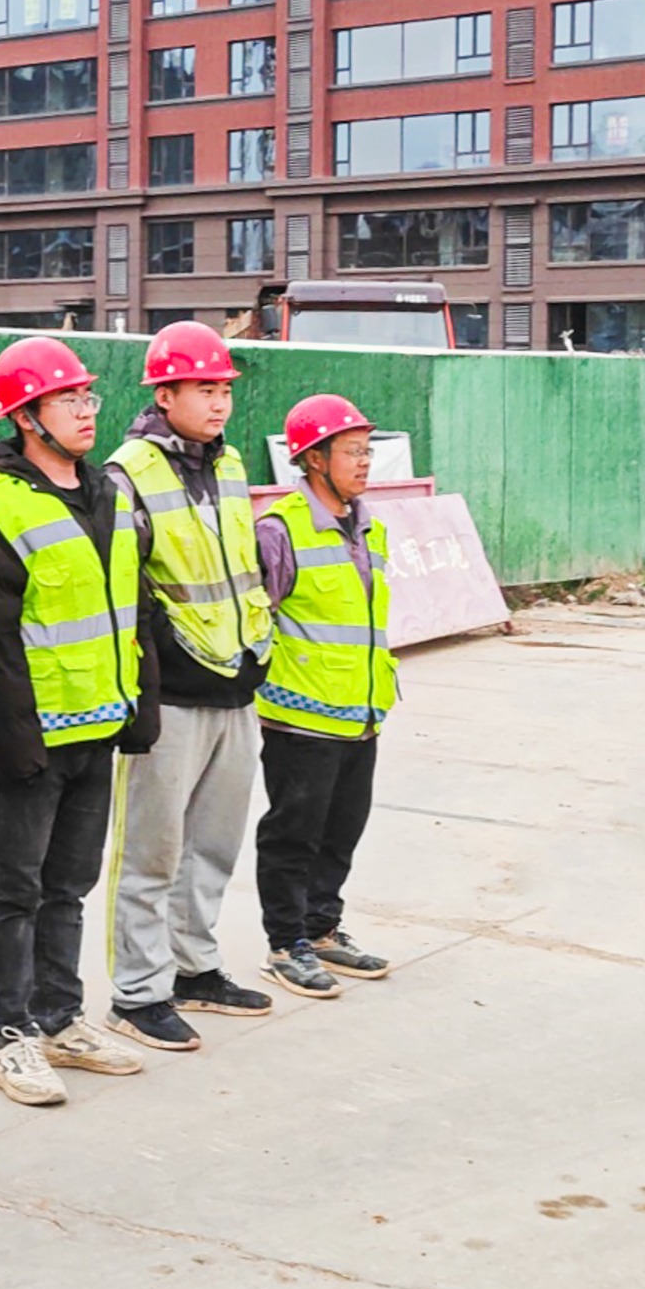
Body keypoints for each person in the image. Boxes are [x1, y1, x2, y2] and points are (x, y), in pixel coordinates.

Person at [0, 337, 150, 1107]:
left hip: (97, 725)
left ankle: (60, 1017)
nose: (85, 411)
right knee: (14, 886)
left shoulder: (108, 493)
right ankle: (11, 1036)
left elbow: (134, 608)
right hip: (29, 737)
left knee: (68, 884)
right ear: (26, 416)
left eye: (87, 397)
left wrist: (137, 708)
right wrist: (12, 736)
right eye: (68, 400)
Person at [101, 321, 277, 1052]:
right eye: (204, 389)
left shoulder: (229, 464)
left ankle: (194, 967)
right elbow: (124, 591)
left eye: (224, 389)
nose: (219, 403)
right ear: (164, 394)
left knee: (213, 845)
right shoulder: (127, 473)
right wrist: (144, 683)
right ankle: (138, 993)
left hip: (235, 680)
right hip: (170, 693)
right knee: (150, 851)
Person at [254, 395, 400, 997]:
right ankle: (285, 942)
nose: (364, 462)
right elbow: (256, 619)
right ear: (314, 459)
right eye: (351, 451)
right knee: (294, 833)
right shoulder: (279, 531)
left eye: (367, 451)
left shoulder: (369, 526)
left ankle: (321, 929)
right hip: (301, 717)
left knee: (343, 830)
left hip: (361, 712)